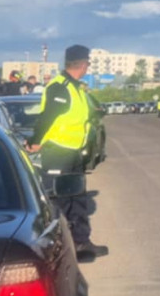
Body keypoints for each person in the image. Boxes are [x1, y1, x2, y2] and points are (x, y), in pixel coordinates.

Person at [29, 45, 107, 259]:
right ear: (82, 64)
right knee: (58, 201)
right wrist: (35, 141)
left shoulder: (76, 88)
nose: (88, 66)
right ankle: (58, 249)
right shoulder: (60, 87)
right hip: (57, 151)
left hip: (74, 152)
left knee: (77, 196)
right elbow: (47, 117)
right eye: (88, 63)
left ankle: (81, 242)